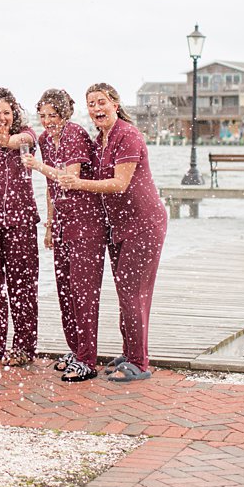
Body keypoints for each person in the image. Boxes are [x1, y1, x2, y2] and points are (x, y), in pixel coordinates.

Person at [59, 83, 167, 382]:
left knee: (134, 293)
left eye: (101, 102)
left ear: (115, 104)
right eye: (91, 104)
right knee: (126, 293)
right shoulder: (101, 139)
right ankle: (130, 352)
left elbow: (120, 183)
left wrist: (77, 184)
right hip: (119, 228)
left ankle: (139, 363)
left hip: (144, 224)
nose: (96, 108)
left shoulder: (127, 135)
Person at [26, 89, 106, 382]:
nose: (48, 121)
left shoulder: (75, 134)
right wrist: (49, 224)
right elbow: (51, 186)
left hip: (86, 222)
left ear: (65, 114)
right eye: (43, 116)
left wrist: (38, 165)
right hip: (61, 222)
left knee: (84, 293)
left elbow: (69, 179)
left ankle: (88, 359)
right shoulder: (46, 140)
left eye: (53, 115)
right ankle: (76, 350)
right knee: (65, 291)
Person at [0, 86, 40, 367]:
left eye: (6, 112)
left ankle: (25, 347)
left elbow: (24, 139)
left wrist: (9, 140)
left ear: (14, 114)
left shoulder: (26, 136)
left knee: (22, 286)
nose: (2, 117)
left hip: (20, 221)